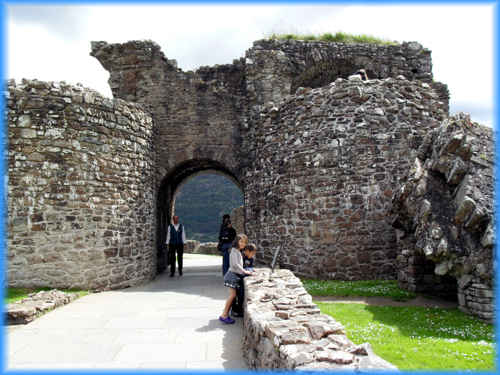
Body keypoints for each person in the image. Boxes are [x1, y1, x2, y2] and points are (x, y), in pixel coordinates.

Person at [219, 234, 253, 324]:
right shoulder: (234, 251)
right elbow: (235, 264)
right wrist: (245, 272)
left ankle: (226, 314)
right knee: (232, 296)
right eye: (241, 241)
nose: (243, 244)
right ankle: (224, 315)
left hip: (234, 275)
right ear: (237, 241)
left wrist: (245, 270)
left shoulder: (237, 251)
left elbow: (238, 265)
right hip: (232, 276)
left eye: (244, 242)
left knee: (233, 296)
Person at [231, 243, 258, 317]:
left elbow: (250, 267)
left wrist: (250, 270)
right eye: (252, 253)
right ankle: (234, 310)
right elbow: (238, 268)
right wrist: (247, 270)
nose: (252, 255)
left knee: (241, 295)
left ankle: (240, 310)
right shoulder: (240, 257)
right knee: (236, 295)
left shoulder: (251, 258)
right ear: (247, 251)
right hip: (236, 278)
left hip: (242, 278)